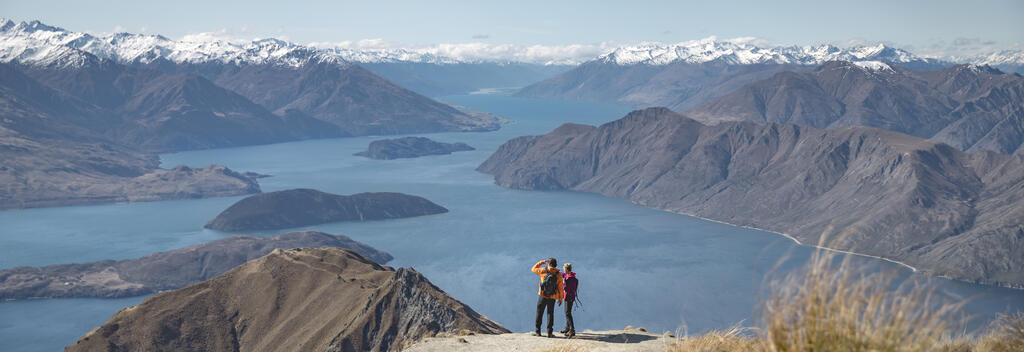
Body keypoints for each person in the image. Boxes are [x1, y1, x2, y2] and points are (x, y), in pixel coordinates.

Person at [531, 257, 564, 337]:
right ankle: (549, 332)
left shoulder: (543, 270)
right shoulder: (558, 274)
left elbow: (533, 269)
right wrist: (560, 298)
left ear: (548, 263)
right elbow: (560, 287)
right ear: (556, 265)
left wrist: (542, 262)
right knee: (550, 313)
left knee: (539, 312)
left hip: (542, 295)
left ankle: (538, 331)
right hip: (552, 296)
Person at [560, 263, 578, 338]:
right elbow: (563, 274)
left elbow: (567, 288)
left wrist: (563, 283)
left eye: (564, 269)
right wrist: (557, 272)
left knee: (568, 313)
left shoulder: (570, 279)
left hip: (569, 297)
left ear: (567, 269)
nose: (564, 270)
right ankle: (567, 327)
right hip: (570, 296)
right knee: (567, 312)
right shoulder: (570, 276)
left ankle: (572, 329)